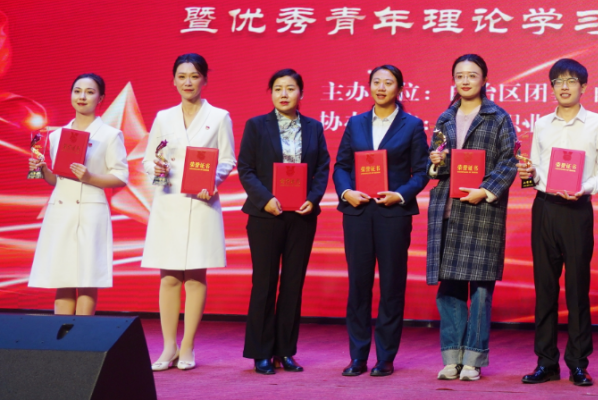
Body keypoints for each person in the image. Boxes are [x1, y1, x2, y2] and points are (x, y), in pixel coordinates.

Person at [517, 59, 598, 387]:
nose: (564, 86)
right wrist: (530, 173)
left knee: (577, 289)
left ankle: (578, 363)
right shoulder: (542, 124)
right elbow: (534, 170)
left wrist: (584, 188)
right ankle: (545, 362)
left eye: (571, 81)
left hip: (577, 210)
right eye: (558, 81)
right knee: (544, 289)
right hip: (544, 208)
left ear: (583, 87)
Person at [142, 53, 236, 372]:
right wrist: (154, 169)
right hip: (169, 201)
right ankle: (168, 346)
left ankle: (188, 345)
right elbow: (148, 159)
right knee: (169, 276)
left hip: (201, 202)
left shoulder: (219, 117)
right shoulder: (163, 117)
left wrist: (213, 180)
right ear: (173, 80)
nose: (188, 82)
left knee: (195, 276)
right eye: (182, 76)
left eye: (194, 76)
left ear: (204, 80)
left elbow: (227, 159)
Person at [334, 65, 430, 378]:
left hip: (393, 214)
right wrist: (346, 192)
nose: (381, 87)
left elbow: (421, 171)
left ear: (399, 89)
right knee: (358, 286)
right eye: (376, 82)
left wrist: (400, 195)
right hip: (358, 213)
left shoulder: (412, 125)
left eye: (388, 83)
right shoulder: (356, 123)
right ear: (369, 86)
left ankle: (385, 357)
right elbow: (341, 166)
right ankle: (357, 356)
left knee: (391, 286)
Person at [426, 54, 517, 382]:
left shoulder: (498, 117)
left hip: (482, 211)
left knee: (480, 290)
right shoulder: (445, 117)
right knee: (449, 288)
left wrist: (486, 190)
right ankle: (451, 357)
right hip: (448, 211)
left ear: (484, 79)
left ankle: (473, 359)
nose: (465, 81)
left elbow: (510, 160)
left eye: (472, 75)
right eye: (460, 75)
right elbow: (433, 164)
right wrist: (435, 161)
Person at [237, 69, 330, 375]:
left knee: (293, 284)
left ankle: (285, 350)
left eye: (290, 88)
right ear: (271, 93)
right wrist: (265, 198)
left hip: (301, 216)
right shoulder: (256, 125)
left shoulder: (314, 127)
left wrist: (313, 198)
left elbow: (322, 167)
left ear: (301, 93)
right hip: (266, 214)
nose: (284, 94)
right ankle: (261, 352)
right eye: (278, 88)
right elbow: (246, 168)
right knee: (264, 283)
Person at [28, 74, 129, 315]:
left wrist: (90, 177)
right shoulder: (56, 136)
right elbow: (59, 180)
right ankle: (62, 337)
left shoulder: (110, 135)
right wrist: (44, 171)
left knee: (87, 279)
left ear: (101, 98)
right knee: (61, 278)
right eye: (77, 91)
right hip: (61, 212)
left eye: (90, 92)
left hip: (91, 211)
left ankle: (83, 336)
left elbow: (121, 177)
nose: (82, 96)